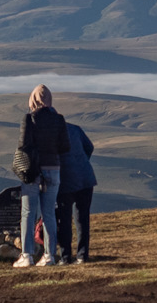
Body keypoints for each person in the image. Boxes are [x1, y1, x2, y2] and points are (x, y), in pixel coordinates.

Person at [14, 84, 69, 267]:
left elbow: (23, 145)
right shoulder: (59, 119)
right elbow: (65, 147)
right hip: (54, 169)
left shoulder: (29, 119)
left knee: (28, 212)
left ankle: (27, 255)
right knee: (49, 214)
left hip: (33, 171)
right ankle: (49, 255)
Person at [55, 119, 97, 264]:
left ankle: (65, 257)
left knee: (64, 220)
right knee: (82, 219)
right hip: (85, 178)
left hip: (64, 180)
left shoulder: (49, 131)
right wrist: (81, 162)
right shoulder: (74, 128)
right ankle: (82, 256)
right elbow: (89, 147)